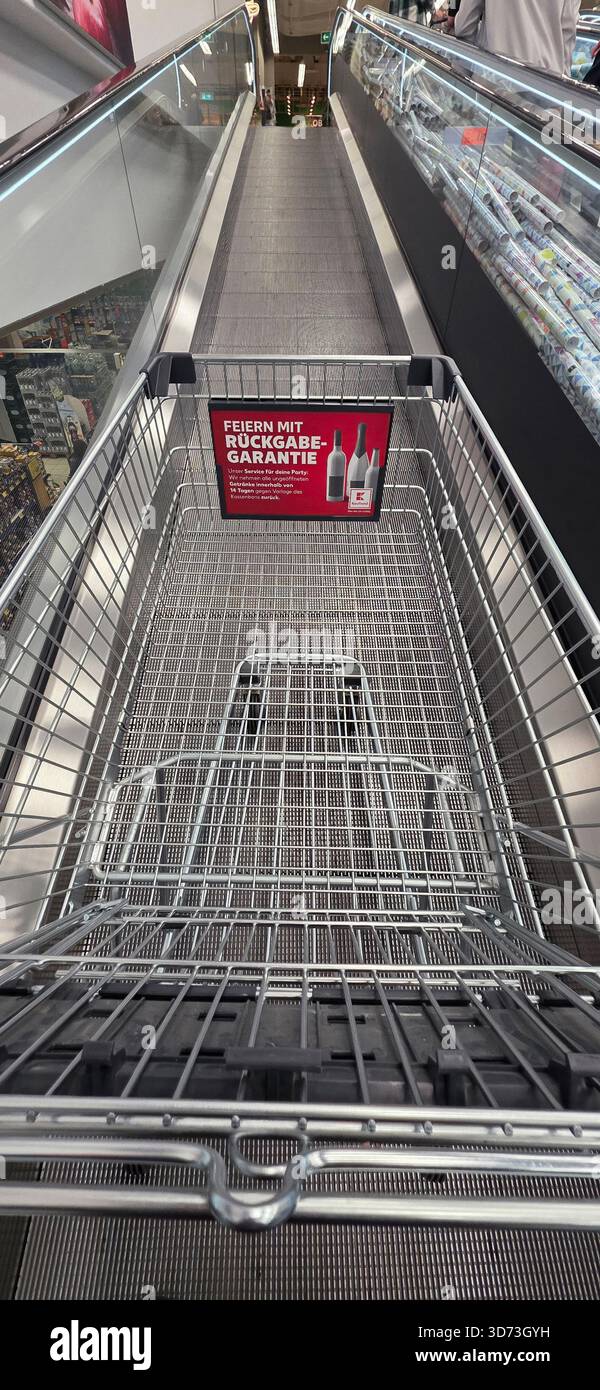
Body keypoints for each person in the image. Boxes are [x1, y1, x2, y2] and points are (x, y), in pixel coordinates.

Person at [454, 0, 581, 78]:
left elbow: (464, 27)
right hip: (546, 82)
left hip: (494, 75)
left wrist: (462, 75)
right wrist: (563, 88)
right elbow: (568, 29)